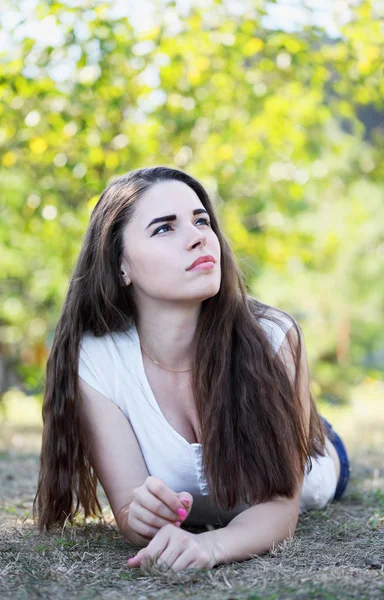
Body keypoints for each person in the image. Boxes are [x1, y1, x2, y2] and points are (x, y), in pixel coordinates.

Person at [33, 166, 351, 572]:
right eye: (164, 228)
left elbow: (279, 509)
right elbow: (130, 510)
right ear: (120, 266)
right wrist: (141, 514)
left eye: (201, 220)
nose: (199, 236)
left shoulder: (275, 337)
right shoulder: (100, 363)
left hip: (319, 455)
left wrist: (212, 546)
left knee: (320, 445)